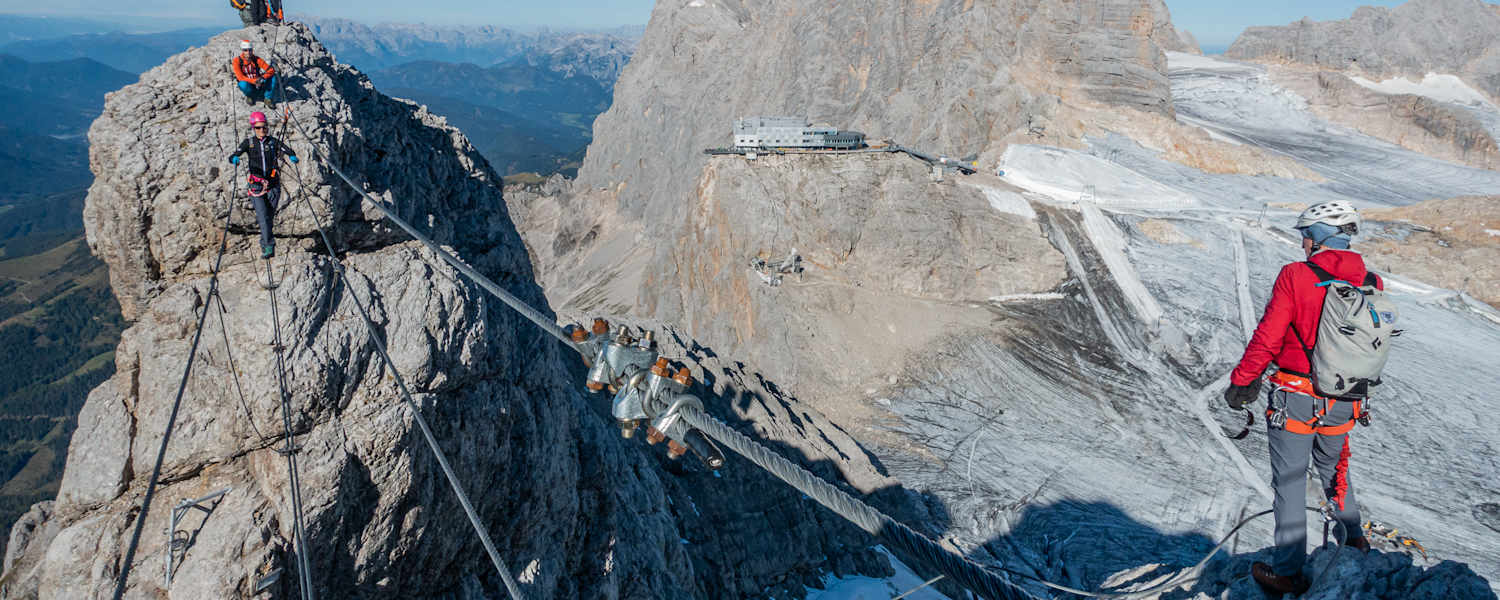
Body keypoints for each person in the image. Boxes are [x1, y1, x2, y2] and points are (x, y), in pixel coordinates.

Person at [1224, 200, 1377, 596]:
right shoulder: (1370, 282)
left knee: (1291, 482)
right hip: (1345, 397)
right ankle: (1355, 541)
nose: (1303, 243)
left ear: (1319, 237)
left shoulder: (1296, 275)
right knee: (1334, 469)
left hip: (1295, 397)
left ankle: (1288, 573)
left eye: (1306, 236)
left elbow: (1269, 335)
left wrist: (1243, 381)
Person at [228, 111, 298, 259]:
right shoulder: (249, 143)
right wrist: (234, 159)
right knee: (263, 217)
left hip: (273, 185)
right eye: (258, 127)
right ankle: (269, 246)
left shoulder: (272, 142)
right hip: (256, 186)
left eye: (264, 127)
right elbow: (234, 155)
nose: (262, 130)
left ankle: (264, 243)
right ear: (253, 128)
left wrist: (292, 156)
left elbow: (287, 149)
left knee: (268, 218)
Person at [232, 40, 277, 108]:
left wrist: (262, 78)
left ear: (252, 50)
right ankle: (250, 96)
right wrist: (254, 81)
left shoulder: (256, 59)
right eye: (245, 50)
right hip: (249, 84)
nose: (248, 52)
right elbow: (240, 77)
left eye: (250, 50)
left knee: (273, 77)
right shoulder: (237, 61)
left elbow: (271, 70)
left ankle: (267, 98)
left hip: (259, 82)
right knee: (242, 84)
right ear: (242, 51)